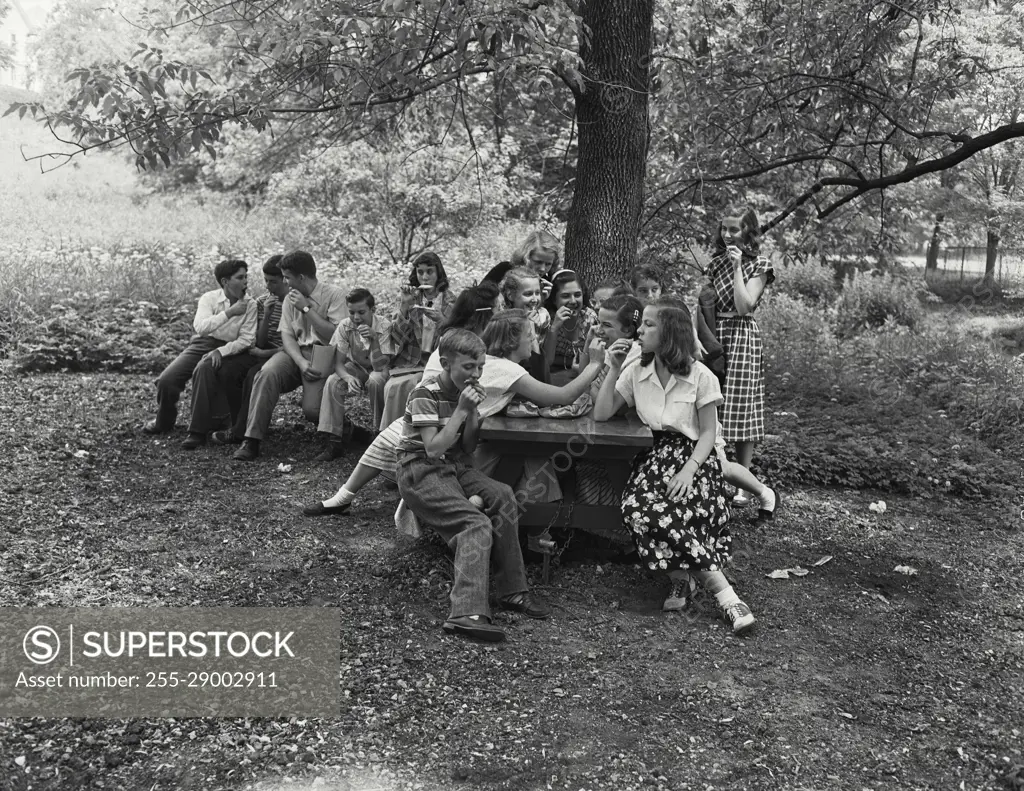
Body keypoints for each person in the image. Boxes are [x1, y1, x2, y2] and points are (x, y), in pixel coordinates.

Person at [302, 295, 605, 518]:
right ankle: (367, 500)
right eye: (530, 335)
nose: (534, 341)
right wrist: (595, 365)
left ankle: (343, 497)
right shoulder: (508, 370)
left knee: (387, 443)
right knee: (399, 447)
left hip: (438, 418)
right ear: (513, 341)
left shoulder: (490, 361)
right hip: (441, 424)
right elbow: (563, 396)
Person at [594, 298, 755, 634]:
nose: (639, 329)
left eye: (649, 324)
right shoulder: (637, 371)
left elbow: (709, 433)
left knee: (680, 510)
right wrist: (613, 366)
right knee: (637, 509)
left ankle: (702, 589)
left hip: (696, 456)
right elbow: (602, 413)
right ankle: (711, 588)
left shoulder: (702, 376)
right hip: (656, 455)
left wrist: (689, 470)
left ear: (669, 333)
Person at [396, 328, 551, 642]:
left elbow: (465, 448)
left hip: (453, 467)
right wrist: (462, 410)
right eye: (468, 367)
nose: (476, 374)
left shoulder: (465, 393)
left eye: (480, 367)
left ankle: (512, 591)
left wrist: (473, 417)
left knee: (503, 495)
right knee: (475, 524)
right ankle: (465, 612)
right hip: (419, 470)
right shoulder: (425, 393)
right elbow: (433, 449)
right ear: (445, 363)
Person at [232, 250, 347, 462]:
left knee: (312, 410)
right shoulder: (288, 299)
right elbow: (287, 336)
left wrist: (306, 309)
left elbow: (335, 335)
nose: (285, 282)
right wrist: (301, 362)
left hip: (324, 352)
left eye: (287, 277)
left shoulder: (334, 295)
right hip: (294, 353)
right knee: (266, 373)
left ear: (301, 277)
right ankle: (251, 440)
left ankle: (344, 429)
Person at [705, 204, 775, 505]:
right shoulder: (714, 263)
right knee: (711, 403)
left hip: (743, 335)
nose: (727, 234)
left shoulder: (761, 265)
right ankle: (714, 473)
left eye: (734, 229)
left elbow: (746, 305)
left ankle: (744, 484)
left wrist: (736, 268)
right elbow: (706, 304)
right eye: (724, 229)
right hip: (715, 334)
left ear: (748, 231)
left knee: (742, 408)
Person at [142, 259, 256, 437]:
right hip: (203, 343)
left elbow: (247, 339)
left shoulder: (251, 305)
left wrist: (222, 351)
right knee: (167, 380)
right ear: (225, 281)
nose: (245, 282)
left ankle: (205, 426)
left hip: (230, 349)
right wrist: (230, 312)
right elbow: (201, 328)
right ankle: (163, 421)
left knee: (204, 373)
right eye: (240, 277)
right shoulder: (209, 298)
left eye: (245, 277)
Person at [209, 255, 290, 448]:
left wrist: (264, 354)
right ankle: (237, 423)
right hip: (261, 350)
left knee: (253, 376)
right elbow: (260, 342)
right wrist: (267, 316)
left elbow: (292, 345)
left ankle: (240, 432)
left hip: (282, 354)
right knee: (228, 370)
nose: (269, 287)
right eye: (266, 281)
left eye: (274, 282)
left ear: (285, 280)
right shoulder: (263, 302)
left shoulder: (295, 303)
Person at [378, 252, 456, 431]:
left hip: (438, 363)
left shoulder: (451, 302)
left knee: (410, 385)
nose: (425, 277)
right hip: (412, 362)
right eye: (420, 272)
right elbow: (396, 339)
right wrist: (405, 307)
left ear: (439, 274)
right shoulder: (412, 299)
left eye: (429, 271)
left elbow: (459, 337)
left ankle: (406, 433)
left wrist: (443, 321)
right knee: (392, 385)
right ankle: (389, 433)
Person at [315, 288, 393, 461]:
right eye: (352, 312)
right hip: (356, 366)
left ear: (373, 310)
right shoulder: (345, 326)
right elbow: (339, 363)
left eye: (361, 312)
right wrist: (348, 377)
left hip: (378, 368)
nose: (356, 317)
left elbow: (381, 366)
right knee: (333, 382)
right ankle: (335, 439)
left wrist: (374, 340)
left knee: (376, 381)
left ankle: (379, 434)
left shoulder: (384, 325)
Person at [543, 268, 596, 384]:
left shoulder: (589, 317)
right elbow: (546, 361)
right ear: (554, 300)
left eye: (577, 295)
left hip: (582, 375)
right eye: (565, 296)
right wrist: (554, 328)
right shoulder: (546, 319)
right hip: (551, 376)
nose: (573, 301)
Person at [498, 265, 550, 382]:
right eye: (528, 294)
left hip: (536, 372)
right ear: (510, 295)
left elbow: (541, 362)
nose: (535, 299)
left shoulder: (542, 316)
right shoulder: (502, 323)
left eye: (537, 293)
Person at [510, 230, 560, 300]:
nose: (542, 268)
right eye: (538, 262)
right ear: (526, 257)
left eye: (548, 264)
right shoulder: (504, 271)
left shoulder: (549, 284)